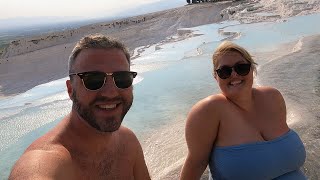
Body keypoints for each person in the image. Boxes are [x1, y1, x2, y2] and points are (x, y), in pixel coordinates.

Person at [9, 34, 151, 179]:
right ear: (70, 89)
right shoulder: (45, 162)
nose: (110, 92)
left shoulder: (128, 141)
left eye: (122, 79)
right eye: (93, 80)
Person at [180, 41, 306, 179]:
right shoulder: (209, 110)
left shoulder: (272, 97)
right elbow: (196, 164)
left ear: (252, 68)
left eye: (241, 68)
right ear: (216, 76)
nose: (234, 75)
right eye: (225, 71)